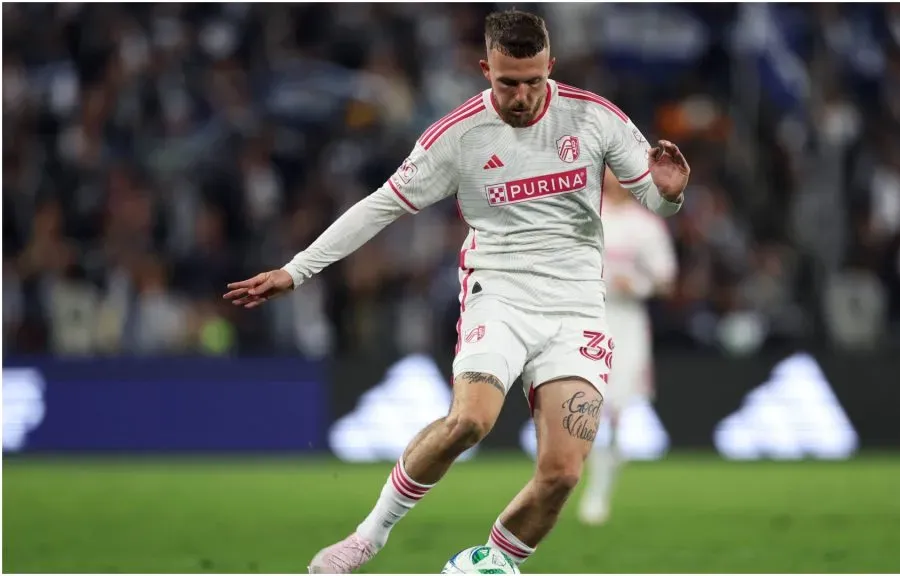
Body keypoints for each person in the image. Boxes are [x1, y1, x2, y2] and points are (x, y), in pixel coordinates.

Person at [223, 10, 690, 574]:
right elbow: (381, 206)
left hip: (577, 308)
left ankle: (488, 563)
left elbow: (654, 200)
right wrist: (297, 270)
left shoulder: (594, 119)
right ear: (484, 68)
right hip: (499, 296)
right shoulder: (458, 136)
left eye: (533, 81)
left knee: (563, 473)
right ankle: (367, 538)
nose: (520, 96)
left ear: (551, 68)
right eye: (506, 82)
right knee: (470, 421)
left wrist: (670, 194)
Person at [577, 168, 679, 526]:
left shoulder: (645, 225)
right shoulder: (582, 216)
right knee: (583, 405)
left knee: (616, 409)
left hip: (627, 322)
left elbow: (666, 280)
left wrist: (635, 283)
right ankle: (590, 480)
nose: (611, 180)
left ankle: (600, 489)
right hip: (584, 319)